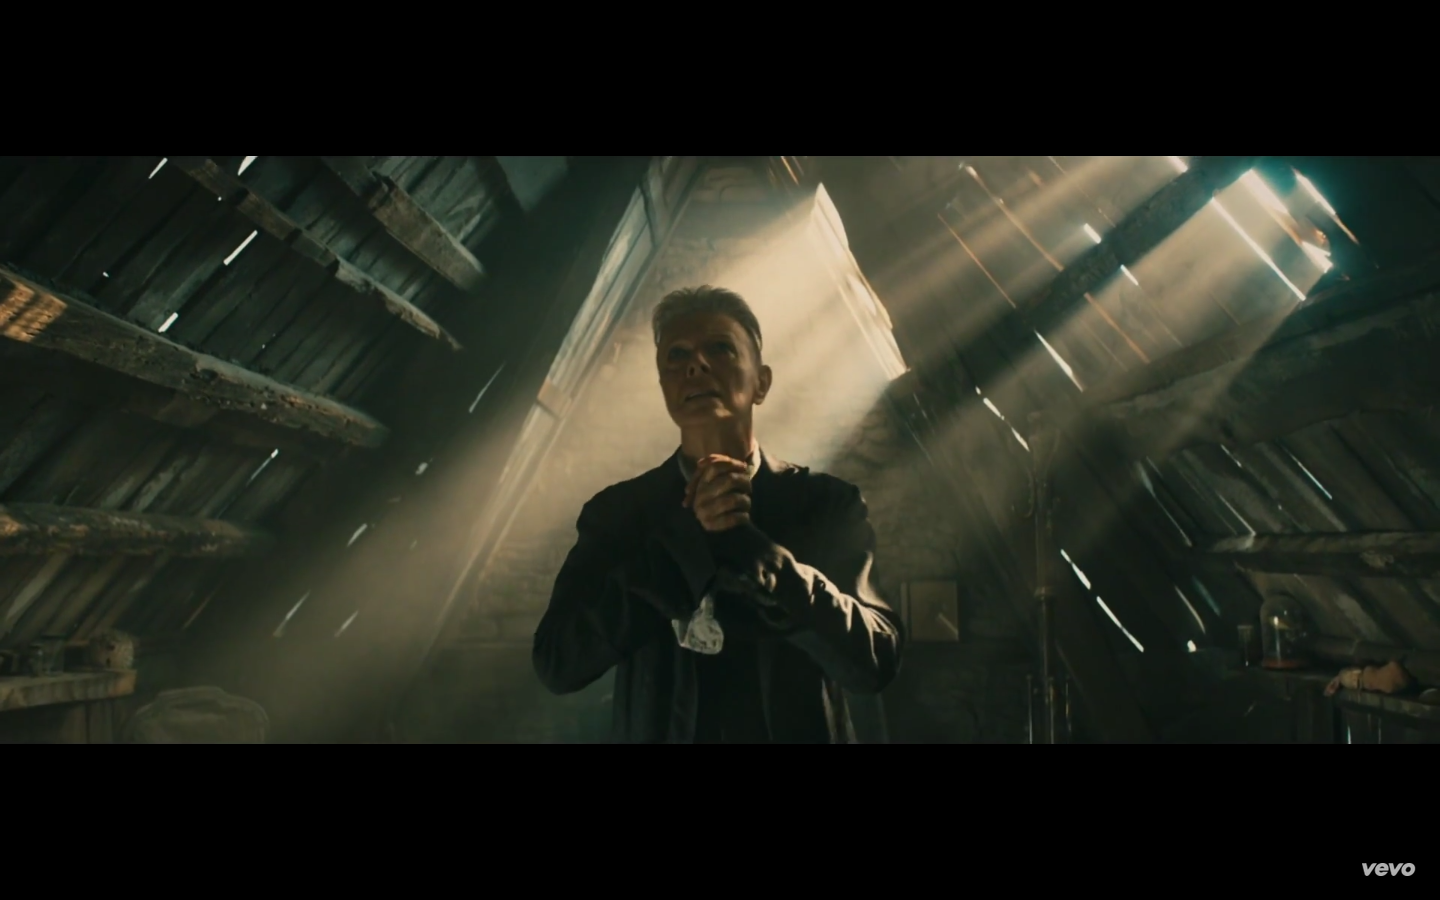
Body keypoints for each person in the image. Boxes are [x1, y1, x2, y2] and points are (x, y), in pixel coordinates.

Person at [532, 285, 903, 743]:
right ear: (665, 388)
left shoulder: (826, 504)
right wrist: (683, 545)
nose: (696, 365)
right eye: (677, 355)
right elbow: (558, 663)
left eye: (720, 348)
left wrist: (762, 557)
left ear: (761, 382)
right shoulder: (619, 514)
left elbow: (875, 661)